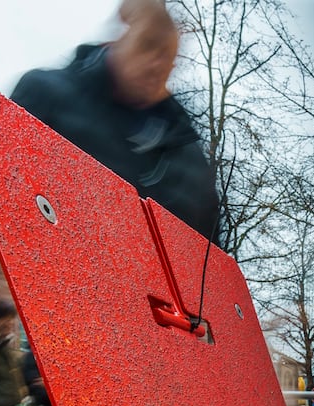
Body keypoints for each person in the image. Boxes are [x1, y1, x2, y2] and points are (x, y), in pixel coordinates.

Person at [11, 0, 219, 242]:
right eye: (147, 45)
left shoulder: (187, 157)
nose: (156, 64)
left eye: (167, 55)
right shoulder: (44, 93)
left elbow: (206, 258)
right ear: (119, 39)